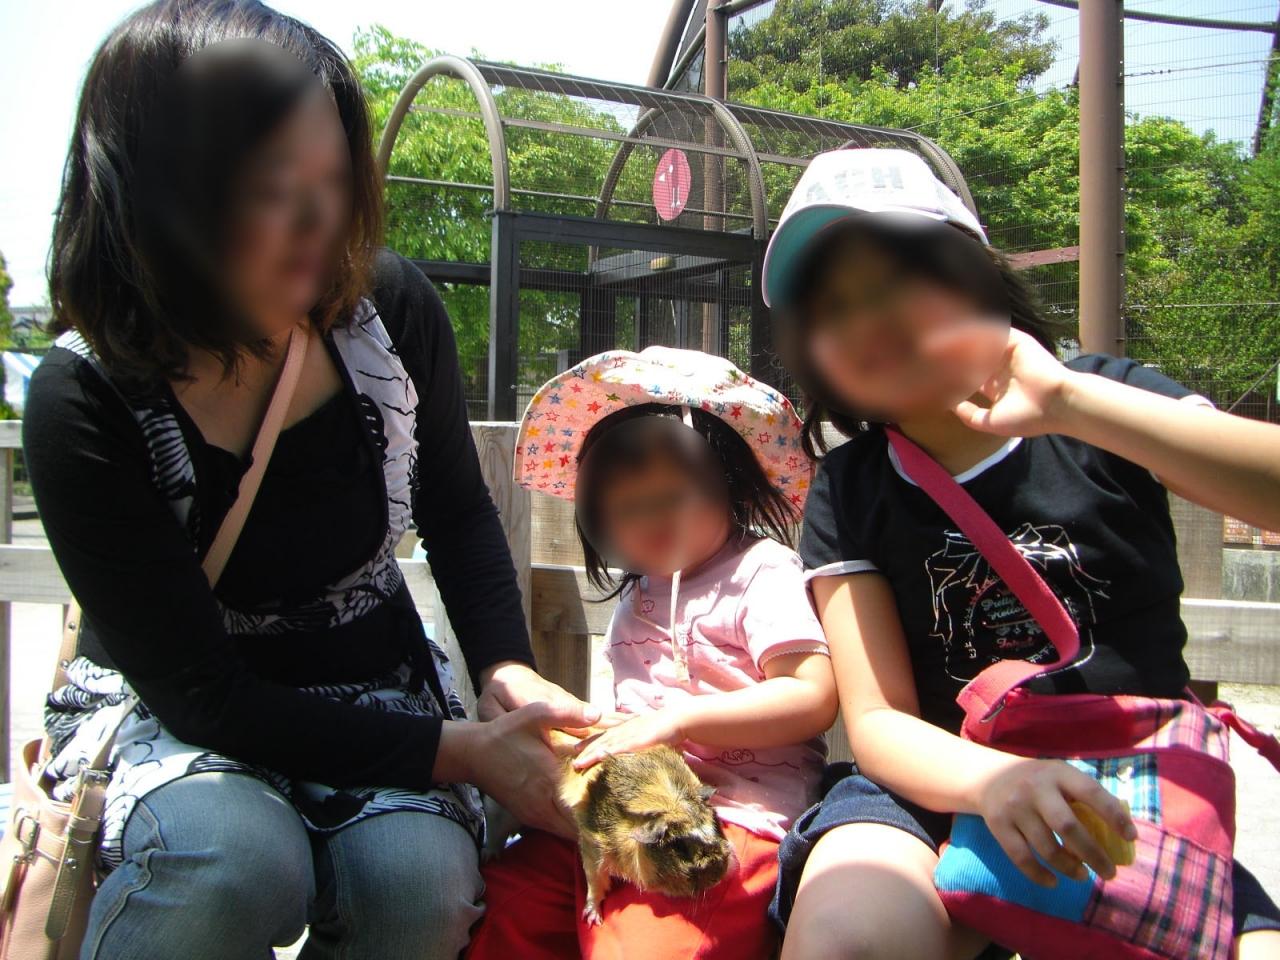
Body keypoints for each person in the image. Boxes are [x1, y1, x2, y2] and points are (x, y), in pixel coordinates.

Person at [25, 2, 595, 957]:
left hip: (369, 680)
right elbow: (203, 695)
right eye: (270, 187)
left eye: (333, 181)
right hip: (181, 710)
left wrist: (506, 670)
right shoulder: (84, 397)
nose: (318, 222)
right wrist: (463, 752)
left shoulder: (388, 312)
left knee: (417, 890)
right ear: (157, 194)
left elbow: (457, 511)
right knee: (230, 859)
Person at [761, 148, 1280, 960]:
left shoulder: (1102, 397)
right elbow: (879, 721)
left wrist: (1070, 403)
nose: (865, 318)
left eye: (896, 280)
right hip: (936, 783)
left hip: (1125, 780)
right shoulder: (850, 485)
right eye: (831, 307)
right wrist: (993, 781)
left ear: (976, 278)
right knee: (845, 934)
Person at [465, 347, 838, 960]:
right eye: (627, 509)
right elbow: (633, 721)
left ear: (729, 482)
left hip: (735, 819)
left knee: (646, 944)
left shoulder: (760, 572)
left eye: (674, 496)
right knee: (507, 909)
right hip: (628, 813)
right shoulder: (637, 598)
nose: (653, 520)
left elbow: (812, 695)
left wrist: (681, 721)